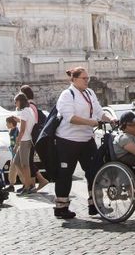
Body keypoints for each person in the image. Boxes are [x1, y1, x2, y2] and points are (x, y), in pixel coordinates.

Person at [53, 67, 115, 219]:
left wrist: (111, 119)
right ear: (74, 79)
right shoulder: (67, 95)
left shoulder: (90, 93)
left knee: (94, 172)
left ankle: (95, 205)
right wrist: (91, 122)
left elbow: (100, 112)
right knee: (65, 174)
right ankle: (61, 208)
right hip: (67, 140)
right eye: (84, 78)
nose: (87, 81)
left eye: (88, 78)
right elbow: (70, 117)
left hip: (87, 139)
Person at [18, 86, 50, 191]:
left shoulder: (29, 107)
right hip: (31, 137)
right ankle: (31, 183)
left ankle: (33, 183)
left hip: (29, 137)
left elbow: (31, 123)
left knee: (27, 162)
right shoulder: (32, 106)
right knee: (27, 162)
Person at [13, 92, 37, 194]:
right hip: (27, 139)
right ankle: (28, 183)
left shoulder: (23, 112)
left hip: (24, 140)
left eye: (16, 102)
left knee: (24, 165)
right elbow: (26, 124)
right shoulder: (29, 110)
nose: (15, 104)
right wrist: (18, 120)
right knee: (17, 162)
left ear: (20, 101)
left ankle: (28, 186)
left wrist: (16, 144)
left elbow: (22, 130)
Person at [5, 115, 19, 191]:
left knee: (18, 170)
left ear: (11, 123)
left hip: (17, 153)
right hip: (13, 153)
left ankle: (27, 184)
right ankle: (11, 185)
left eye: (7, 123)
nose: (6, 125)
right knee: (12, 169)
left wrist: (15, 149)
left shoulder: (16, 130)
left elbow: (17, 141)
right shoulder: (11, 131)